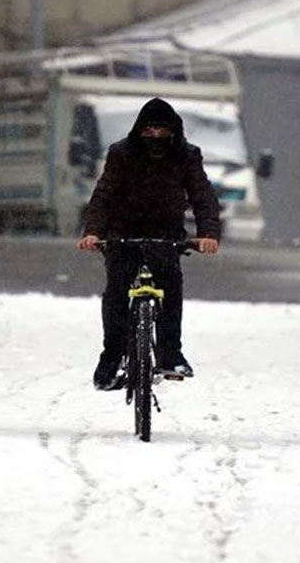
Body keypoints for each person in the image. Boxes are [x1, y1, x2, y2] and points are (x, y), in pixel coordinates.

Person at [77, 98, 221, 391]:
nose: (155, 136)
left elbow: (201, 195)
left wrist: (208, 232)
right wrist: (93, 232)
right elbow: (103, 194)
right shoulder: (121, 153)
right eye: (149, 130)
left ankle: (170, 353)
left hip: (166, 233)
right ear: (139, 130)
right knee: (117, 291)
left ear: (174, 131)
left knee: (170, 287)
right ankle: (112, 356)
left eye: (162, 130)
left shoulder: (187, 156)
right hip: (122, 231)